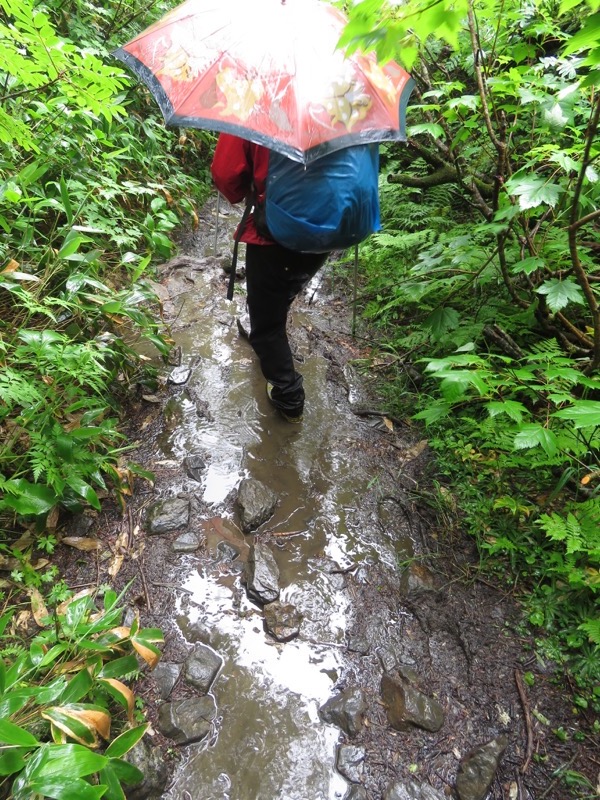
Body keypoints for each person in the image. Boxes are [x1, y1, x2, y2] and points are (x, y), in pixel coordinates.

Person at [211, 133, 329, 424]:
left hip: (275, 234)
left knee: (266, 327)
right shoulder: (341, 102)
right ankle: (273, 316)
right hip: (329, 227)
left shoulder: (256, 105)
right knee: (282, 290)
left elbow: (226, 175)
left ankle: (289, 399)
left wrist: (248, 187)